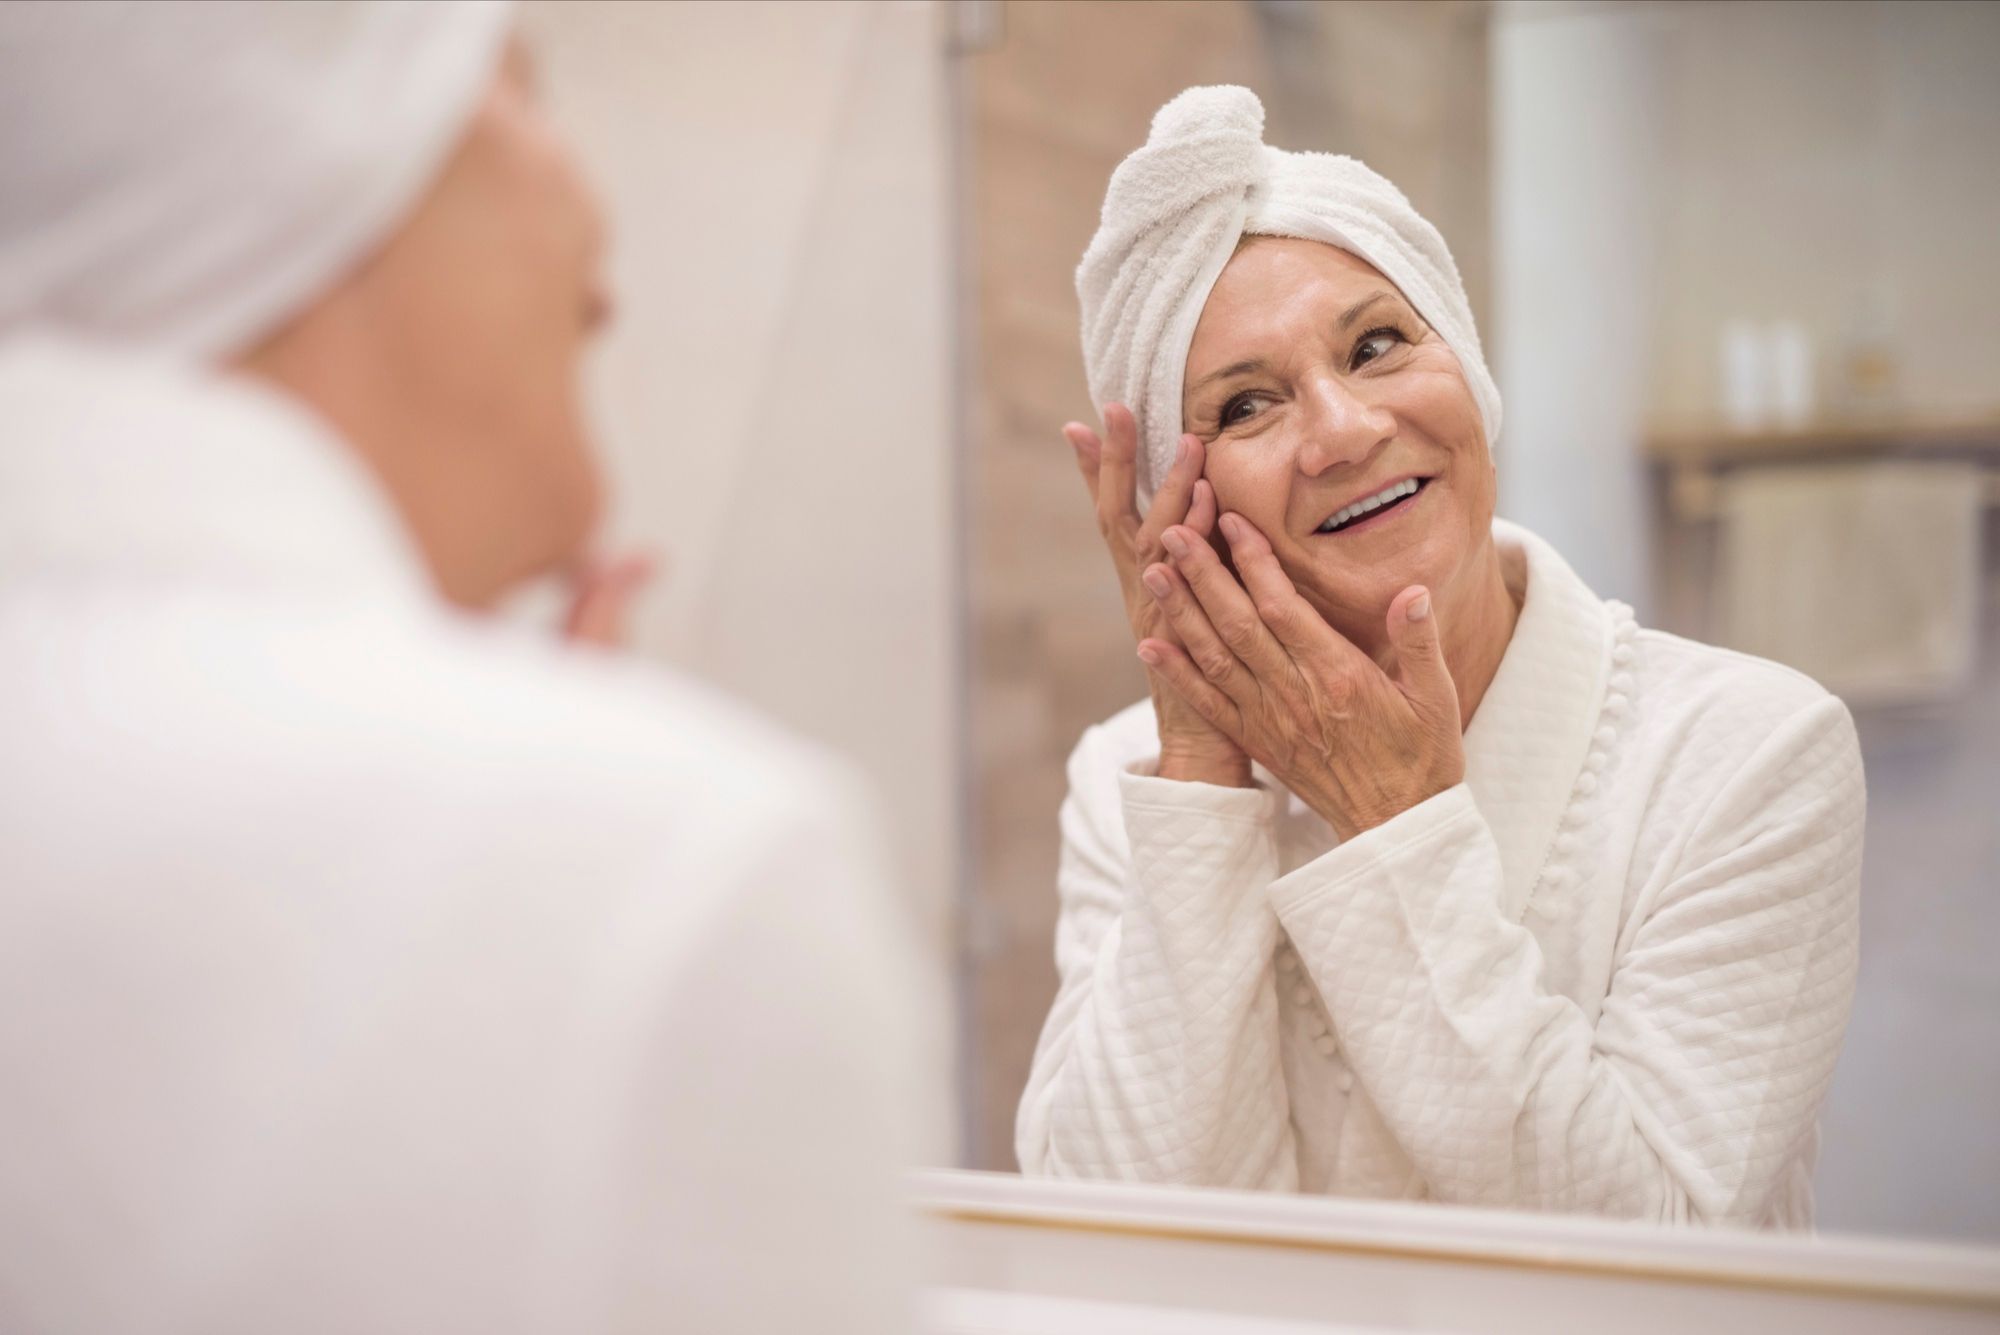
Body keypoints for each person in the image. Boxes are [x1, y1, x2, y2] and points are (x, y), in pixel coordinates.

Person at [0, 3, 924, 1330]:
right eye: (520, 89)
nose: (601, 249)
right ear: (322, 158)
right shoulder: (662, 877)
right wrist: (559, 818)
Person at [1016, 85, 1863, 1228]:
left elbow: (1653, 1262)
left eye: (1375, 344)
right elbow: (1116, 1249)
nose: (1347, 430)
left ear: (1464, 367)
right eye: (1248, 404)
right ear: (1177, 503)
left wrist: (1393, 828)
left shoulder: (1744, 756)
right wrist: (1204, 775)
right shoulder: (1133, 784)